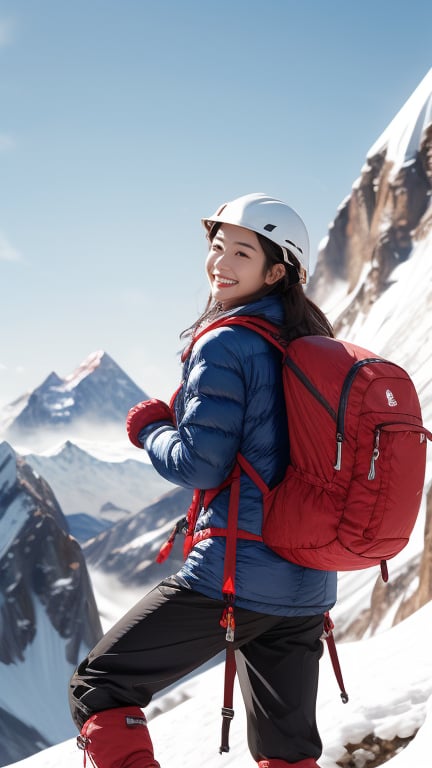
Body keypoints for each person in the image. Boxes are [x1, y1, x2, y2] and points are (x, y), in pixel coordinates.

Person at [69, 192, 337, 768]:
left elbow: (200, 464)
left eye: (242, 252)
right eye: (217, 247)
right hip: (307, 582)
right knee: (288, 752)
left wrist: (150, 429)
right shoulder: (313, 344)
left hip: (236, 573)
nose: (221, 262)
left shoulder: (225, 342)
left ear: (276, 271)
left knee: (101, 685)